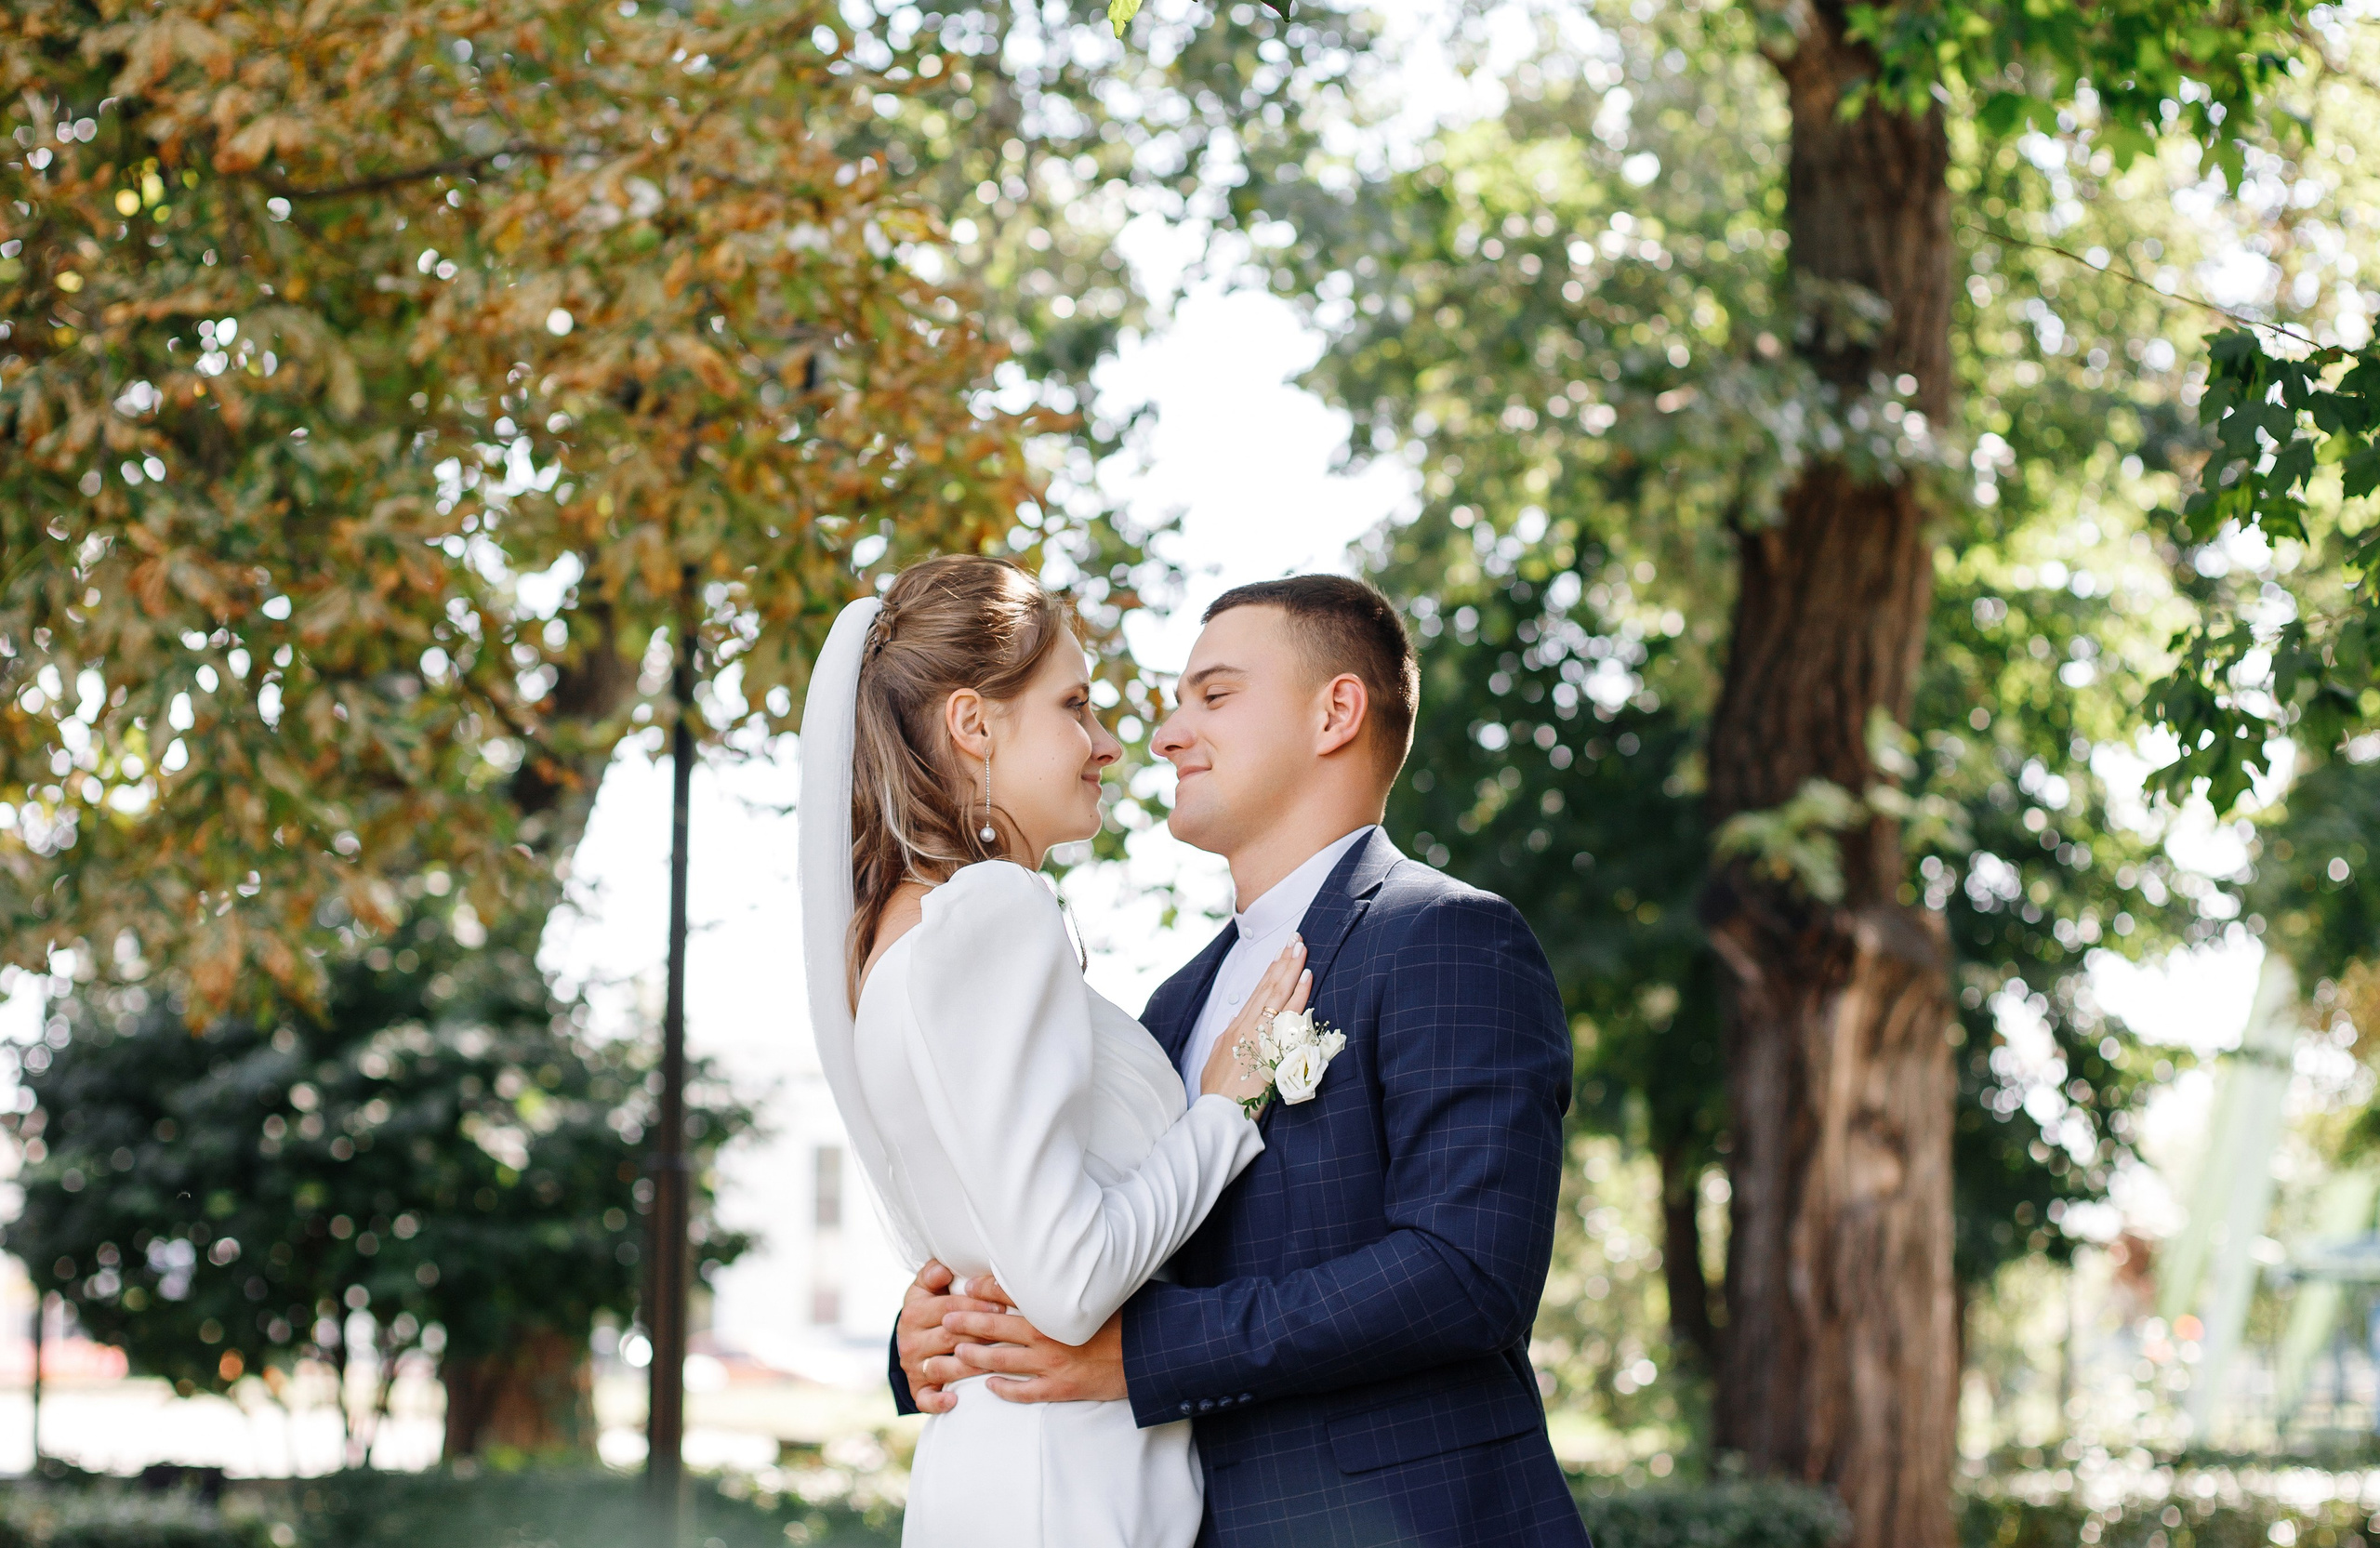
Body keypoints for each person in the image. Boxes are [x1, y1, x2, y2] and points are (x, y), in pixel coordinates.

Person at [890, 576, 1590, 1548]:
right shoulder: (1168, 1009)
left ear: (1334, 712)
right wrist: (928, 1335)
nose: (1167, 735)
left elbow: (1465, 1273)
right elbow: (1098, 1227)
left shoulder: (1452, 939)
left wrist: (1144, 1356)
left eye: (1211, 697)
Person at [797, 555, 1315, 1548]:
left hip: (998, 1465)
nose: (1109, 745)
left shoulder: (898, 938)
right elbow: (1069, 1283)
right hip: (1068, 1489)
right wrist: (1224, 1110)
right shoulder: (997, 908)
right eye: (1074, 705)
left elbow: (981, 1247)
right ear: (973, 724)